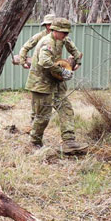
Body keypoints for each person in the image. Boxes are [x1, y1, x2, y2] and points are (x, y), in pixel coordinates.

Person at [26, 17, 88, 154]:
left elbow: (73, 49)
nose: (66, 35)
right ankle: (34, 142)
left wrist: (77, 61)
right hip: (41, 83)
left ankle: (69, 141)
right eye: (63, 32)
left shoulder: (61, 39)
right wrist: (62, 71)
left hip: (55, 82)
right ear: (54, 30)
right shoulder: (47, 42)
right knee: (43, 116)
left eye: (67, 32)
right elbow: (44, 62)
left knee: (66, 108)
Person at [16, 14, 55, 120]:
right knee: (36, 98)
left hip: (53, 70)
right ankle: (34, 120)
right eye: (47, 24)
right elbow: (25, 47)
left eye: (51, 24)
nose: (49, 27)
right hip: (39, 72)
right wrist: (22, 61)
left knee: (53, 96)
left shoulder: (60, 37)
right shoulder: (40, 36)